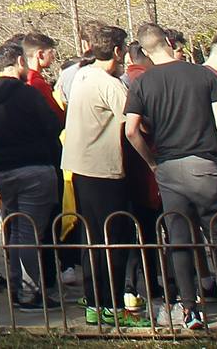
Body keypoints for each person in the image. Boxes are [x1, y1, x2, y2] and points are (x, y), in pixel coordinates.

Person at [123, 24, 217, 329]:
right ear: (169, 42)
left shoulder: (142, 83)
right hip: (205, 162)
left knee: (179, 239)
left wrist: (152, 162)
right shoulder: (203, 74)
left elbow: (131, 129)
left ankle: (190, 308)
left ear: (143, 50)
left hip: (169, 165)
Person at [63, 24, 142, 328]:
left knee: (94, 239)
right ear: (118, 51)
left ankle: (95, 303)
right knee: (115, 240)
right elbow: (134, 125)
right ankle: (110, 304)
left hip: (81, 166)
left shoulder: (81, 75)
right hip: (105, 170)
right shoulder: (110, 84)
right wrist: (151, 161)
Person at [0, 42, 64, 312]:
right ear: (18, 60)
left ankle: (17, 286)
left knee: (14, 229)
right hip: (33, 168)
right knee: (28, 231)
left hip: (2, 170)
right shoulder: (28, 94)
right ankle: (28, 292)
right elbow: (53, 124)